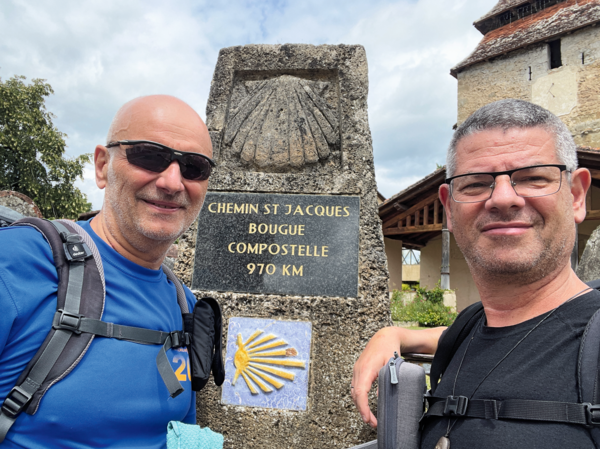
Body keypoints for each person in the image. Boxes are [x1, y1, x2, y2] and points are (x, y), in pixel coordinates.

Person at [352, 99, 599, 448]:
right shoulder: (467, 330)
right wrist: (396, 335)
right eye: (475, 184)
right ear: (449, 208)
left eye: (533, 178)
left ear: (576, 195)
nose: (502, 198)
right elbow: (502, 335)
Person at [0, 95, 214, 448]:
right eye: (150, 156)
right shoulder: (17, 261)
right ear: (102, 166)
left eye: (194, 167)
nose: (173, 182)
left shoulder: (184, 306)